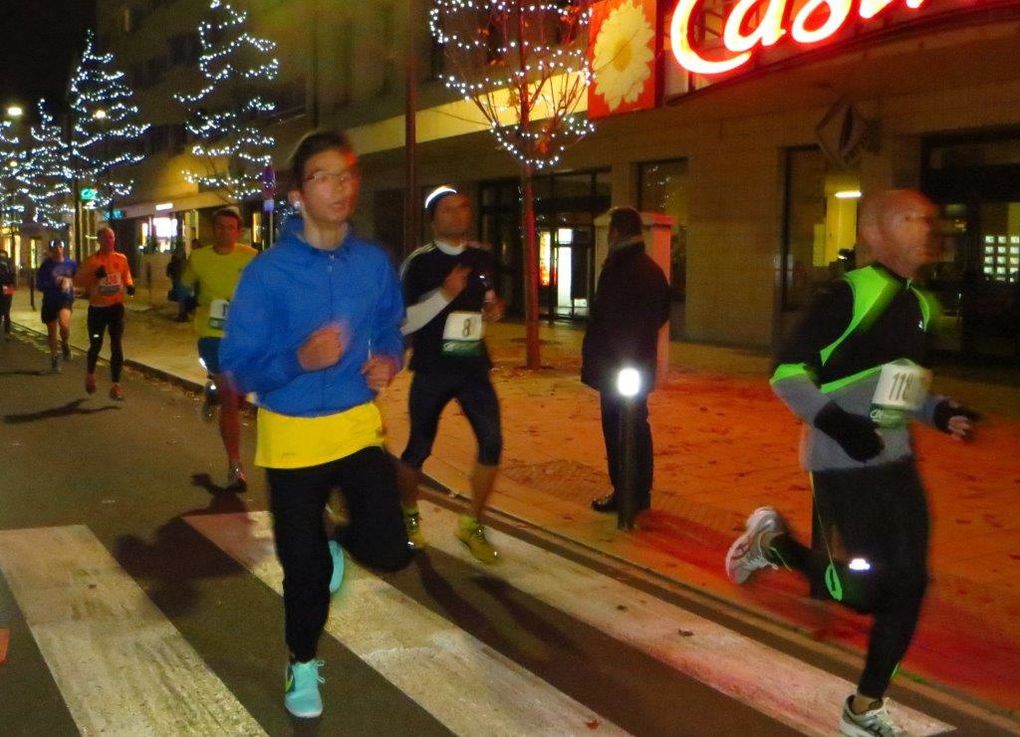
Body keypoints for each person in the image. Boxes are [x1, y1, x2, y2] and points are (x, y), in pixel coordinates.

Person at [725, 190, 980, 737]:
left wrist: (942, 413)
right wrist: (841, 426)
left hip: (897, 462)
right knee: (858, 594)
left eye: (927, 217)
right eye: (909, 219)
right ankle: (772, 544)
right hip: (839, 464)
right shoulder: (849, 294)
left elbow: (905, 389)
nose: (925, 226)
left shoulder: (922, 304)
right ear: (875, 234)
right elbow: (785, 372)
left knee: (909, 582)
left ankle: (864, 707)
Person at [220, 130, 411, 719]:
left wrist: (388, 361)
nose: (340, 187)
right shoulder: (268, 274)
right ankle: (302, 663)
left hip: (355, 426)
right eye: (324, 176)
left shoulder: (373, 264)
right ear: (299, 193)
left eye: (347, 175)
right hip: (294, 439)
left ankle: (334, 547)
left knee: (391, 548)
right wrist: (298, 360)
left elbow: (390, 327)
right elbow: (235, 365)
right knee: (302, 575)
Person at [396, 186, 506, 564]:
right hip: (432, 368)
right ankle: (409, 515)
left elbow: (487, 300)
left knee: (492, 442)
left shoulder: (482, 258)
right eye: (447, 210)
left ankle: (472, 522)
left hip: (473, 367)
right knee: (419, 448)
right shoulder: (419, 263)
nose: (458, 215)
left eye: (463, 207)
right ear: (433, 220)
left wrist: (493, 309)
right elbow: (405, 321)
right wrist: (444, 294)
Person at [582, 207, 671, 516]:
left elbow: (603, 315)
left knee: (617, 428)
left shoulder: (616, 269)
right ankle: (641, 492)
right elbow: (663, 313)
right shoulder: (652, 270)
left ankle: (624, 493)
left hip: (615, 367)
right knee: (637, 425)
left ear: (616, 232)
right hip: (640, 365)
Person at [179, 208, 257, 490]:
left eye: (231, 227)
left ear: (239, 231)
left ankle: (212, 393)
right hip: (212, 335)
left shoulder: (249, 257)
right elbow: (183, 286)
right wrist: (184, 295)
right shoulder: (199, 258)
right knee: (232, 400)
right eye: (220, 226)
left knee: (241, 397)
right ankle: (235, 465)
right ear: (213, 230)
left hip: (243, 336)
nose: (225, 231)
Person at [76, 226, 135, 400]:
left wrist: (130, 285)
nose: (110, 241)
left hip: (116, 307)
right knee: (96, 343)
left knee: (116, 343)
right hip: (97, 309)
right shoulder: (91, 261)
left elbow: (126, 276)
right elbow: (79, 281)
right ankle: (90, 374)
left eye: (112, 238)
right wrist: (94, 275)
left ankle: (116, 384)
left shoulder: (121, 258)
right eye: (107, 238)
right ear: (99, 241)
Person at [35, 242, 78, 372]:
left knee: (64, 324)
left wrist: (71, 283)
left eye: (60, 247)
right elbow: (40, 285)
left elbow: (78, 278)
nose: (58, 250)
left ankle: (65, 343)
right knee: (52, 332)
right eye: (55, 248)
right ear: (51, 250)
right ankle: (54, 358)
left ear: (63, 248)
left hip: (65, 299)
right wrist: (54, 282)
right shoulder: (46, 265)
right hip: (50, 300)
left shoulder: (71, 264)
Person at [166, 242, 189, 322]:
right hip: (180, 279)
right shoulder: (183, 260)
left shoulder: (179, 259)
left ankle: (183, 315)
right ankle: (183, 314)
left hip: (180, 280)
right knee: (182, 298)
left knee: (182, 298)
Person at [0, 248, 15, 341]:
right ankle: (7, 333)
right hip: (8, 288)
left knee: (3, 312)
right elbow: (13, 276)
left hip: (5, 287)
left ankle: (7, 333)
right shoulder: (9, 263)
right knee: (6, 312)